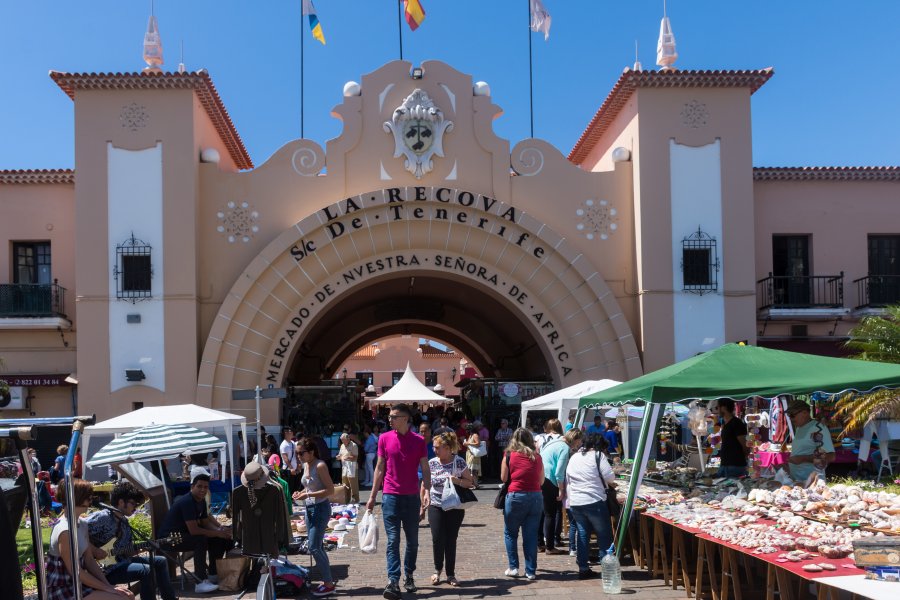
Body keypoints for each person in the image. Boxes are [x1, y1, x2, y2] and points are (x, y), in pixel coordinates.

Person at [366, 403, 430, 600]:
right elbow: (379, 469)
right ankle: (393, 580)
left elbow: (425, 469)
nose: (389, 419)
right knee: (393, 541)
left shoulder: (419, 441)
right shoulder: (384, 438)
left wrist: (426, 490)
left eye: (393, 416)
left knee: (412, 541)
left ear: (405, 418)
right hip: (390, 497)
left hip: (411, 497)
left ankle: (409, 574)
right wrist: (372, 497)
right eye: (389, 416)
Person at [85, 480, 177, 600]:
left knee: (161, 561)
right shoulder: (102, 518)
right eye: (134, 503)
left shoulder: (125, 522)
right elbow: (77, 532)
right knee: (146, 571)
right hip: (104, 570)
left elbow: (127, 551)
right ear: (121, 502)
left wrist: (143, 547)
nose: (136, 508)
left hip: (121, 562)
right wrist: (95, 550)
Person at [45, 478, 135, 600]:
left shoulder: (82, 524)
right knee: (122, 598)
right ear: (78, 498)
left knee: (128, 596)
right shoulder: (65, 530)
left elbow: (89, 560)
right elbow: (75, 571)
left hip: (79, 584)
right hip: (63, 588)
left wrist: (109, 586)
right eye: (89, 497)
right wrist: (108, 589)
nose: (91, 500)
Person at [159, 470, 232, 593]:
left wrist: (221, 531)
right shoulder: (187, 502)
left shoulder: (201, 501)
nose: (203, 490)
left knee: (219, 538)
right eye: (199, 486)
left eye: (205, 487)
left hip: (184, 536)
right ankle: (200, 582)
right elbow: (194, 530)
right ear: (192, 487)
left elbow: (205, 522)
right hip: (169, 539)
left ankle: (213, 573)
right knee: (200, 540)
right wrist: (217, 532)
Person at [421, 431, 473, 587]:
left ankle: (451, 574)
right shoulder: (431, 463)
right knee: (437, 539)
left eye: (438, 447)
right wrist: (425, 496)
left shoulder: (459, 462)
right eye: (434, 447)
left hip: (454, 507)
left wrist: (456, 480)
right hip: (436, 505)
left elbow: (470, 482)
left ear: (448, 448)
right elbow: (425, 483)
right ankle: (437, 570)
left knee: (451, 540)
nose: (435, 450)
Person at [565, 433, 616, 579]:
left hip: (576, 502)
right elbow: (610, 477)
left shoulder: (574, 457)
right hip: (594, 500)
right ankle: (607, 569)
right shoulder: (598, 456)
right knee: (604, 534)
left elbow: (568, 477)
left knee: (583, 534)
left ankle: (583, 568)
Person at [292, 438, 337, 597]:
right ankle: (328, 581)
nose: (298, 456)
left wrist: (308, 494)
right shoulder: (306, 464)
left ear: (311, 452)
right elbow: (308, 485)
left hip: (320, 508)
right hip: (309, 508)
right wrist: (301, 493)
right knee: (317, 546)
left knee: (314, 547)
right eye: (296, 453)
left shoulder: (320, 465)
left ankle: (329, 584)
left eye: (301, 453)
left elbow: (330, 490)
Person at [501, 428, 544, 581]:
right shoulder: (537, 456)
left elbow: (503, 478)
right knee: (531, 535)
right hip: (535, 496)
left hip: (516, 496)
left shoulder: (508, 455)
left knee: (510, 533)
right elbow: (541, 481)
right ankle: (531, 570)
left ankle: (513, 567)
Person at [786, 399, 835, 484]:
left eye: (792, 415)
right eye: (788, 415)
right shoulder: (799, 428)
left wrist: (803, 458)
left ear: (805, 412)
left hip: (813, 483)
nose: (790, 418)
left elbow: (831, 456)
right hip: (797, 481)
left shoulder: (819, 429)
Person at [539, 418, 569, 555]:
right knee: (550, 514)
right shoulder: (563, 446)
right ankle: (550, 546)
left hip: (541, 477)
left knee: (542, 513)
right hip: (550, 480)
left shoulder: (548, 442)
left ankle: (540, 543)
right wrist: (562, 490)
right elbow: (559, 472)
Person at [717, 399, 749, 478]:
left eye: (717, 408)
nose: (717, 411)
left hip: (734, 465)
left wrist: (742, 457)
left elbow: (744, 445)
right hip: (726, 464)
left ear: (723, 408)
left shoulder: (736, 423)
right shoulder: (725, 423)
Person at [338, 432, 360, 503]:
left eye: (343, 440)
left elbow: (355, 457)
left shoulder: (354, 445)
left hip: (352, 467)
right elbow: (340, 455)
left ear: (348, 439)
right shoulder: (342, 446)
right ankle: (346, 500)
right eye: (342, 440)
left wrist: (346, 457)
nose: (342, 442)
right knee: (345, 484)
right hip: (344, 467)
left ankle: (356, 500)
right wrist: (339, 457)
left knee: (353, 485)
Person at [280, 426, 299, 493]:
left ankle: (292, 500)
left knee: (294, 486)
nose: (292, 433)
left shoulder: (292, 443)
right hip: (288, 470)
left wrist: (298, 463)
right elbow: (285, 458)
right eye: (290, 431)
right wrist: (291, 468)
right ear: (286, 433)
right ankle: (288, 501)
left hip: (294, 468)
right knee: (289, 487)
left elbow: (296, 454)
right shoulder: (284, 445)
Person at [463, 424, 482, 488]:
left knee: (473, 469)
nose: (466, 431)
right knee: (471, 469)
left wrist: (468, 443)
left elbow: (478, 443)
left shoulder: (475, 435)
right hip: (469, 454)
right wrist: (466, 444)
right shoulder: (470, 435)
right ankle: (474, 484)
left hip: (474, 455)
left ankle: (475, 484)